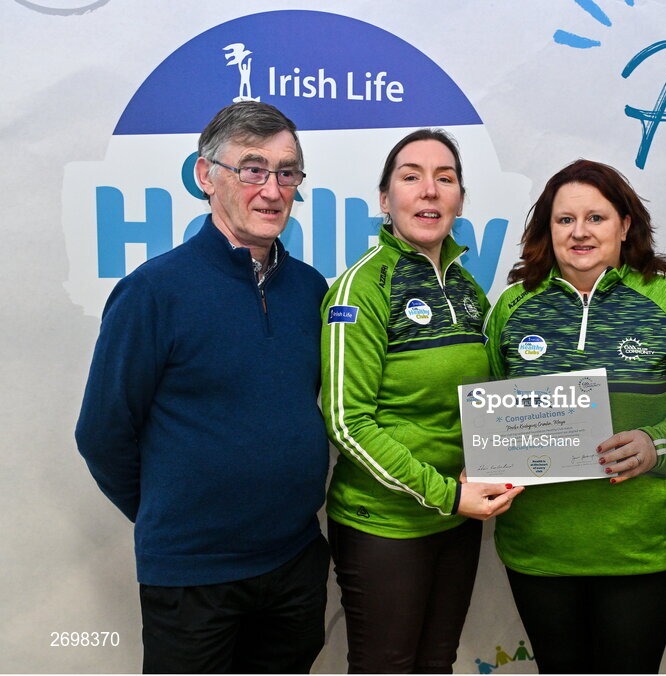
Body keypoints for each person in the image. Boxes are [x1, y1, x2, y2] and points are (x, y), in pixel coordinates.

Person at [76, 101, 330, 673]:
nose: (272, 190)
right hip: (193, 576)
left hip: (294, 562)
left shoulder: (311, 290)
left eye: (287, 172)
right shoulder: (152, 292)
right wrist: (174, 514)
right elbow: (102, 434)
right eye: (253, 169)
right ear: (205, 176)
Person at [483, 159, 666, 673]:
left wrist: (657, 444)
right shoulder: (513, 305)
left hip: (637, 548)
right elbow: (484, 407)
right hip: (539, 548)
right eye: (565, 219)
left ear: (624, 225)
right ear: (547, 229)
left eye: (595, 218)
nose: (580, 232)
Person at [320, 128, 524, 673]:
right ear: (385, 200)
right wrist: (446, 494)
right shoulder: (361, 288)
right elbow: (347, 421)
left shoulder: (467, 289)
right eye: (411, 177)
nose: (430, 190)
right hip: (386, 526)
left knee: (437, 662)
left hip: (456, 521)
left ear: (460, 200)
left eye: (445, 178)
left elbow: (491, 400)